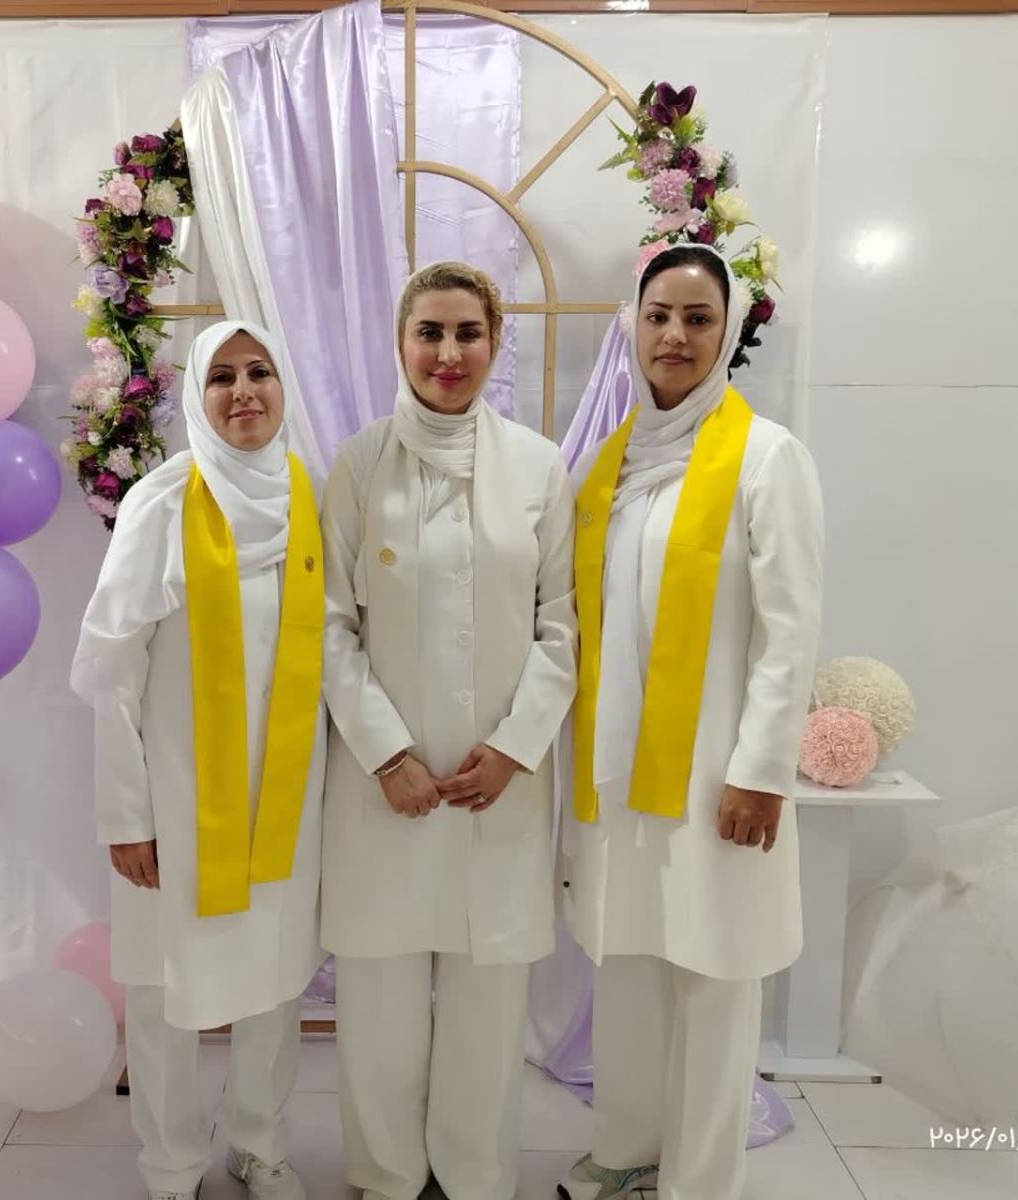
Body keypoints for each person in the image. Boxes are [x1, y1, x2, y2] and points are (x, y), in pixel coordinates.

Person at [556, 244, 824, 1200]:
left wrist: (761, 771)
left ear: (727, 332)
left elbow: (792, 632)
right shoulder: (612, 464)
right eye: (658, 315)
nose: (674, 335)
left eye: (698, 318)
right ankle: (626, 1148)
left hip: (718, 778)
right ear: (632, 325)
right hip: (622, 776)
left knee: (714, 976)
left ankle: (701, 1180)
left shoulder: (766, 458)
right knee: (628, 964)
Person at [318, 261, 578, 1200]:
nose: (448, 352)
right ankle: (387, 1174)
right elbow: (329, 626)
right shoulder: (357, 465)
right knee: (380, 997)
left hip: (496, 783)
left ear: (495, 342)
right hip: (381, 782)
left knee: (487, 999)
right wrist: (385, 752)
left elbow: (563, 626)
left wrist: (513, 749)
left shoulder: (541, 467)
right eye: (429, 331)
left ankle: (474, 1177)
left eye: (468, 332)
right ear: (401, 343)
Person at [70, 321, 326, 1200]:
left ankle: (260, 1144)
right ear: (197, 397)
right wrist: (125, 815)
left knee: (275, 982)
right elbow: (112, 673)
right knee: (164, 990)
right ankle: (172, 1163)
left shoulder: (307, 498)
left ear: (283, 387)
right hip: (175, 803)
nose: (244, 391)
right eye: (222, 377)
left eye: (260, 372)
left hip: (287, 798)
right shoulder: (163, 504)